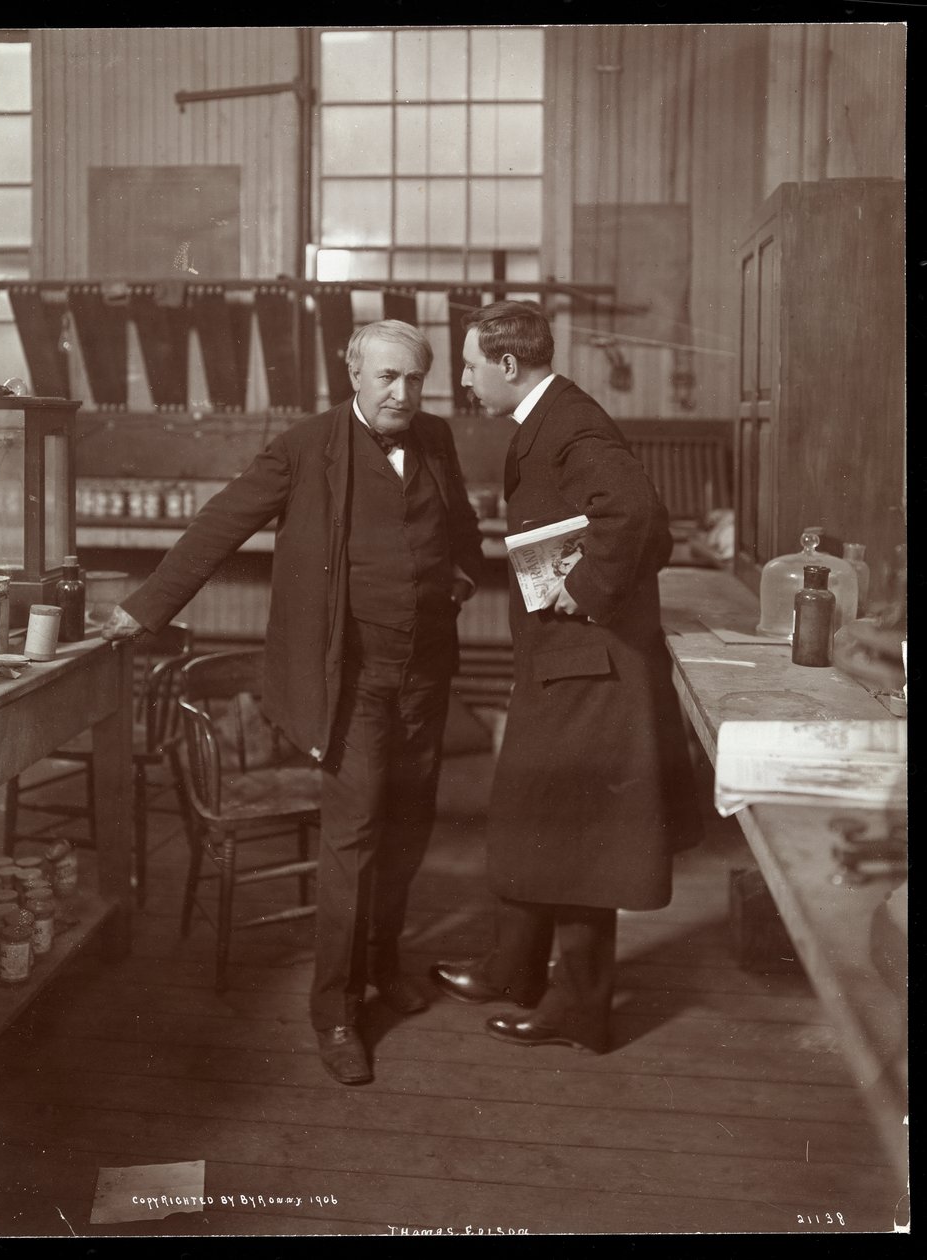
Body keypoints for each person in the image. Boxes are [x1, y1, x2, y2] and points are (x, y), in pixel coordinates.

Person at [102, 319, 484, 1085]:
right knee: (355, 835)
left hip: (424, 675)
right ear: (354, 375)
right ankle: (335, 1010)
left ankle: (383, 963)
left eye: (414, 378)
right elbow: (220, 524)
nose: (402, 393)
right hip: (352, 679)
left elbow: (462, 527)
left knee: (409, 828)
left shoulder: (436, 438)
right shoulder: (307, 447)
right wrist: (146, 608)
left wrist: (464, 573)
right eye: (387, 377)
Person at [430, 300, 702, 1053]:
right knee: (533, 812)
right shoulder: (548, 419)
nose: (464, 380)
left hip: (592, 665)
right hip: (566, 659)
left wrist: (583, 588)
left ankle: (579, 1009)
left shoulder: (571, 424)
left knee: (578, 833)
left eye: (470, 366)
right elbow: (647, 524)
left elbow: (638, 516)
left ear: (507, 364)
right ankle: (512, 969)